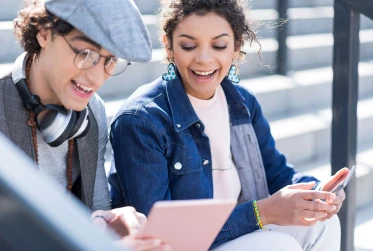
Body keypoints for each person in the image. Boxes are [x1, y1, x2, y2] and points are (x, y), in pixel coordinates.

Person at [109, 0, 349, 250]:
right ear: (168, 46)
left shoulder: (242, 103)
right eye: (188, 45)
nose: (203, 58)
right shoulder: (141, 120)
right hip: (183, 245)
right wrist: (261, 213)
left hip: (236, 231)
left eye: (219, 45)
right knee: (276, 245)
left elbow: (277, 173)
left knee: (322, 224)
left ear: (236, 48)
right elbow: (159, 236)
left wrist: (319, 193)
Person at [0, 0, 170, 250]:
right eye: (85, 54)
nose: (96, 77)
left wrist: (110, 227)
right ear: (45, 32)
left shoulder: (94, 109)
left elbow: (96, 207)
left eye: (110, 60)